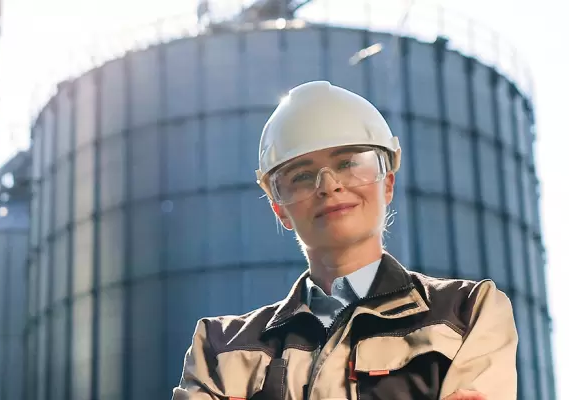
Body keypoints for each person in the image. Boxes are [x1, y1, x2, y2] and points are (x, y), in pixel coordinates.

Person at [172, 81, 518, 400]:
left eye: (349, 163)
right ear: (280, 209)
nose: (329, 185)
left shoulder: (468, 312)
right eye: (303, 175)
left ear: (387, 184)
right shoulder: (220, 347)